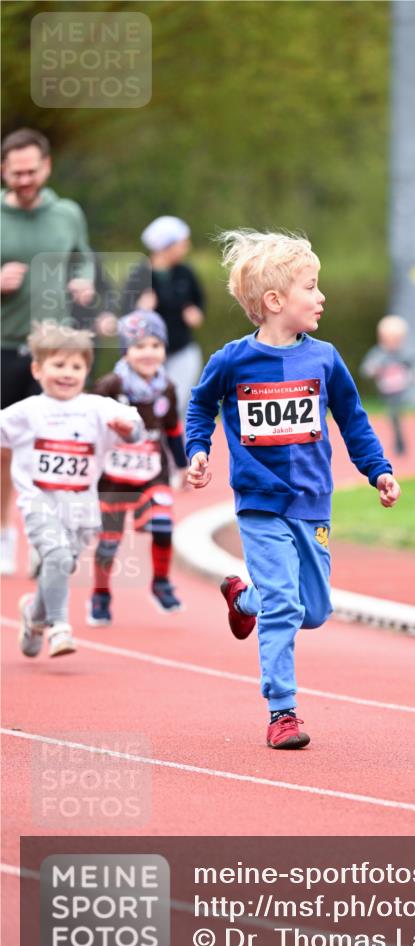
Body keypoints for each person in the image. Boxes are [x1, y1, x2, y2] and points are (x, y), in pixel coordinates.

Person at [186, 230, 401, 749]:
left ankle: (245, 599)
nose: (321, 296)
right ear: (275, 301)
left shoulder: (324, 358)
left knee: (314, 609)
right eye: (311, 286)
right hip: (260, 503)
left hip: (312, 502)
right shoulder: (233, 361)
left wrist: (379, 470)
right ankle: (282, 711)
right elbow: (199, 406)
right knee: (286, 607)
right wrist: (197, 450)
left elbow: (353, 420)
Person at [0, 324, 143, 657]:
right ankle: (60, 627)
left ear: (87, 370)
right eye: (58, 365)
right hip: (39, 503)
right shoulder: (26, 412)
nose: (67, 373)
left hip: (82, 509)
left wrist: (130, 430)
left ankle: (32, 615)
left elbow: (134, 425)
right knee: (57, 556)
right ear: (38, 369)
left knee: (60, 566)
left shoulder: (97, 407)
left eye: (76, 367)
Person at [1, 128, 94, 575]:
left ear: (46, 167)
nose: (24, 179)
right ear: (4, 171)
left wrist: (85, 281)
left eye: (30, 171)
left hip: (54, 351)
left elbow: (85, 257)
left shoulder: (68, 213)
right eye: (15, 172)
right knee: (3, 450)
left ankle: (46, 539)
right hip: (4, 348)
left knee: (52, 446)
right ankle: (4, 535)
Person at [89, 310, 188, 625]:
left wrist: (183, 465)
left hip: (152, 473)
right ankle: (101, 594)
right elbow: (89, 422)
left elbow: (172, 429)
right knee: (109, 542)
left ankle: (160, 582)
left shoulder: (167, 388)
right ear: (125, 351)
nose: (148, 353)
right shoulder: (110, 385)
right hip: (114, 478)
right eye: (139, 346)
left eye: (155, 345)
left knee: (163, 525)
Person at [121, 216, 205, 418]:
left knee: (177, 404)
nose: (187, 247)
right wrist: (141, 311)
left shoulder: (185, 273)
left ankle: (176, 447)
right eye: (182, 243)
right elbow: (124, 317)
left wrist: (196, 314)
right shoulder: (139, 275)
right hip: (150, 354)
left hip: (182, 349)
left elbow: (199, 305)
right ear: (166, 246)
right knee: (149, 405)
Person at [360, 314, 415, 455]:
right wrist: (374, 369)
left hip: (401, 391)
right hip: (386, 391)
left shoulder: (406, 354)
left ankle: (400, 443)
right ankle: (396, 442)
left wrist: (410, 377)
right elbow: (366, 369)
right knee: (391, 416)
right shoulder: (378, 354)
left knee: (395, 414)